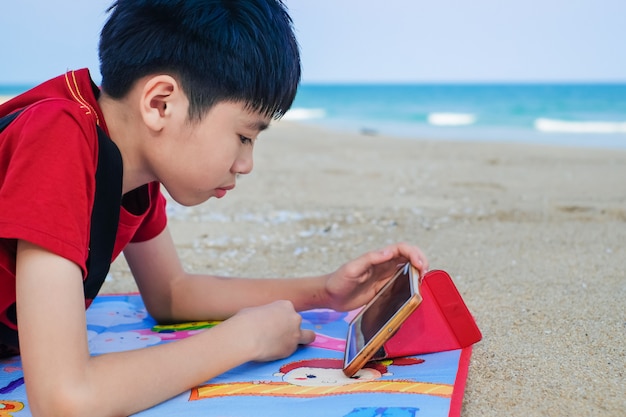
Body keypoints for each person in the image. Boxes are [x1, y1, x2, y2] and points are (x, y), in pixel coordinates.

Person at [0, 1, 428, 416]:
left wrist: (325, 292)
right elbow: (65, 400)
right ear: (160, 104)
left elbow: (171, 293)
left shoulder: (131, 171)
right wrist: (243, 339)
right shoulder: (59, 137)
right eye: (244, 136)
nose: (246, 165)